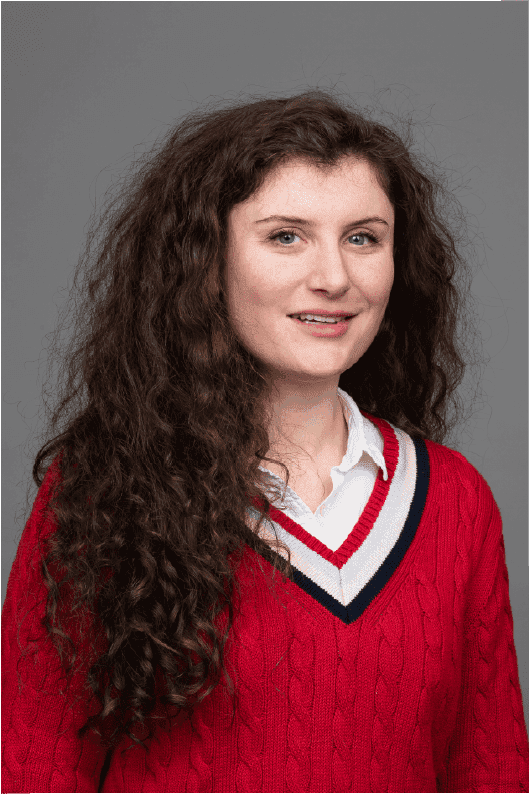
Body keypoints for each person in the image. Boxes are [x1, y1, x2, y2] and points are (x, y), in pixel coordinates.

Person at [2, 88, 528, 794]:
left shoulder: (455, 500)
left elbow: (491, 769)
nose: (333, 277)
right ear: (204, 264)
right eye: (286, 236)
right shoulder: (107, 484)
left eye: (362, 237)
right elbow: (32, 764)